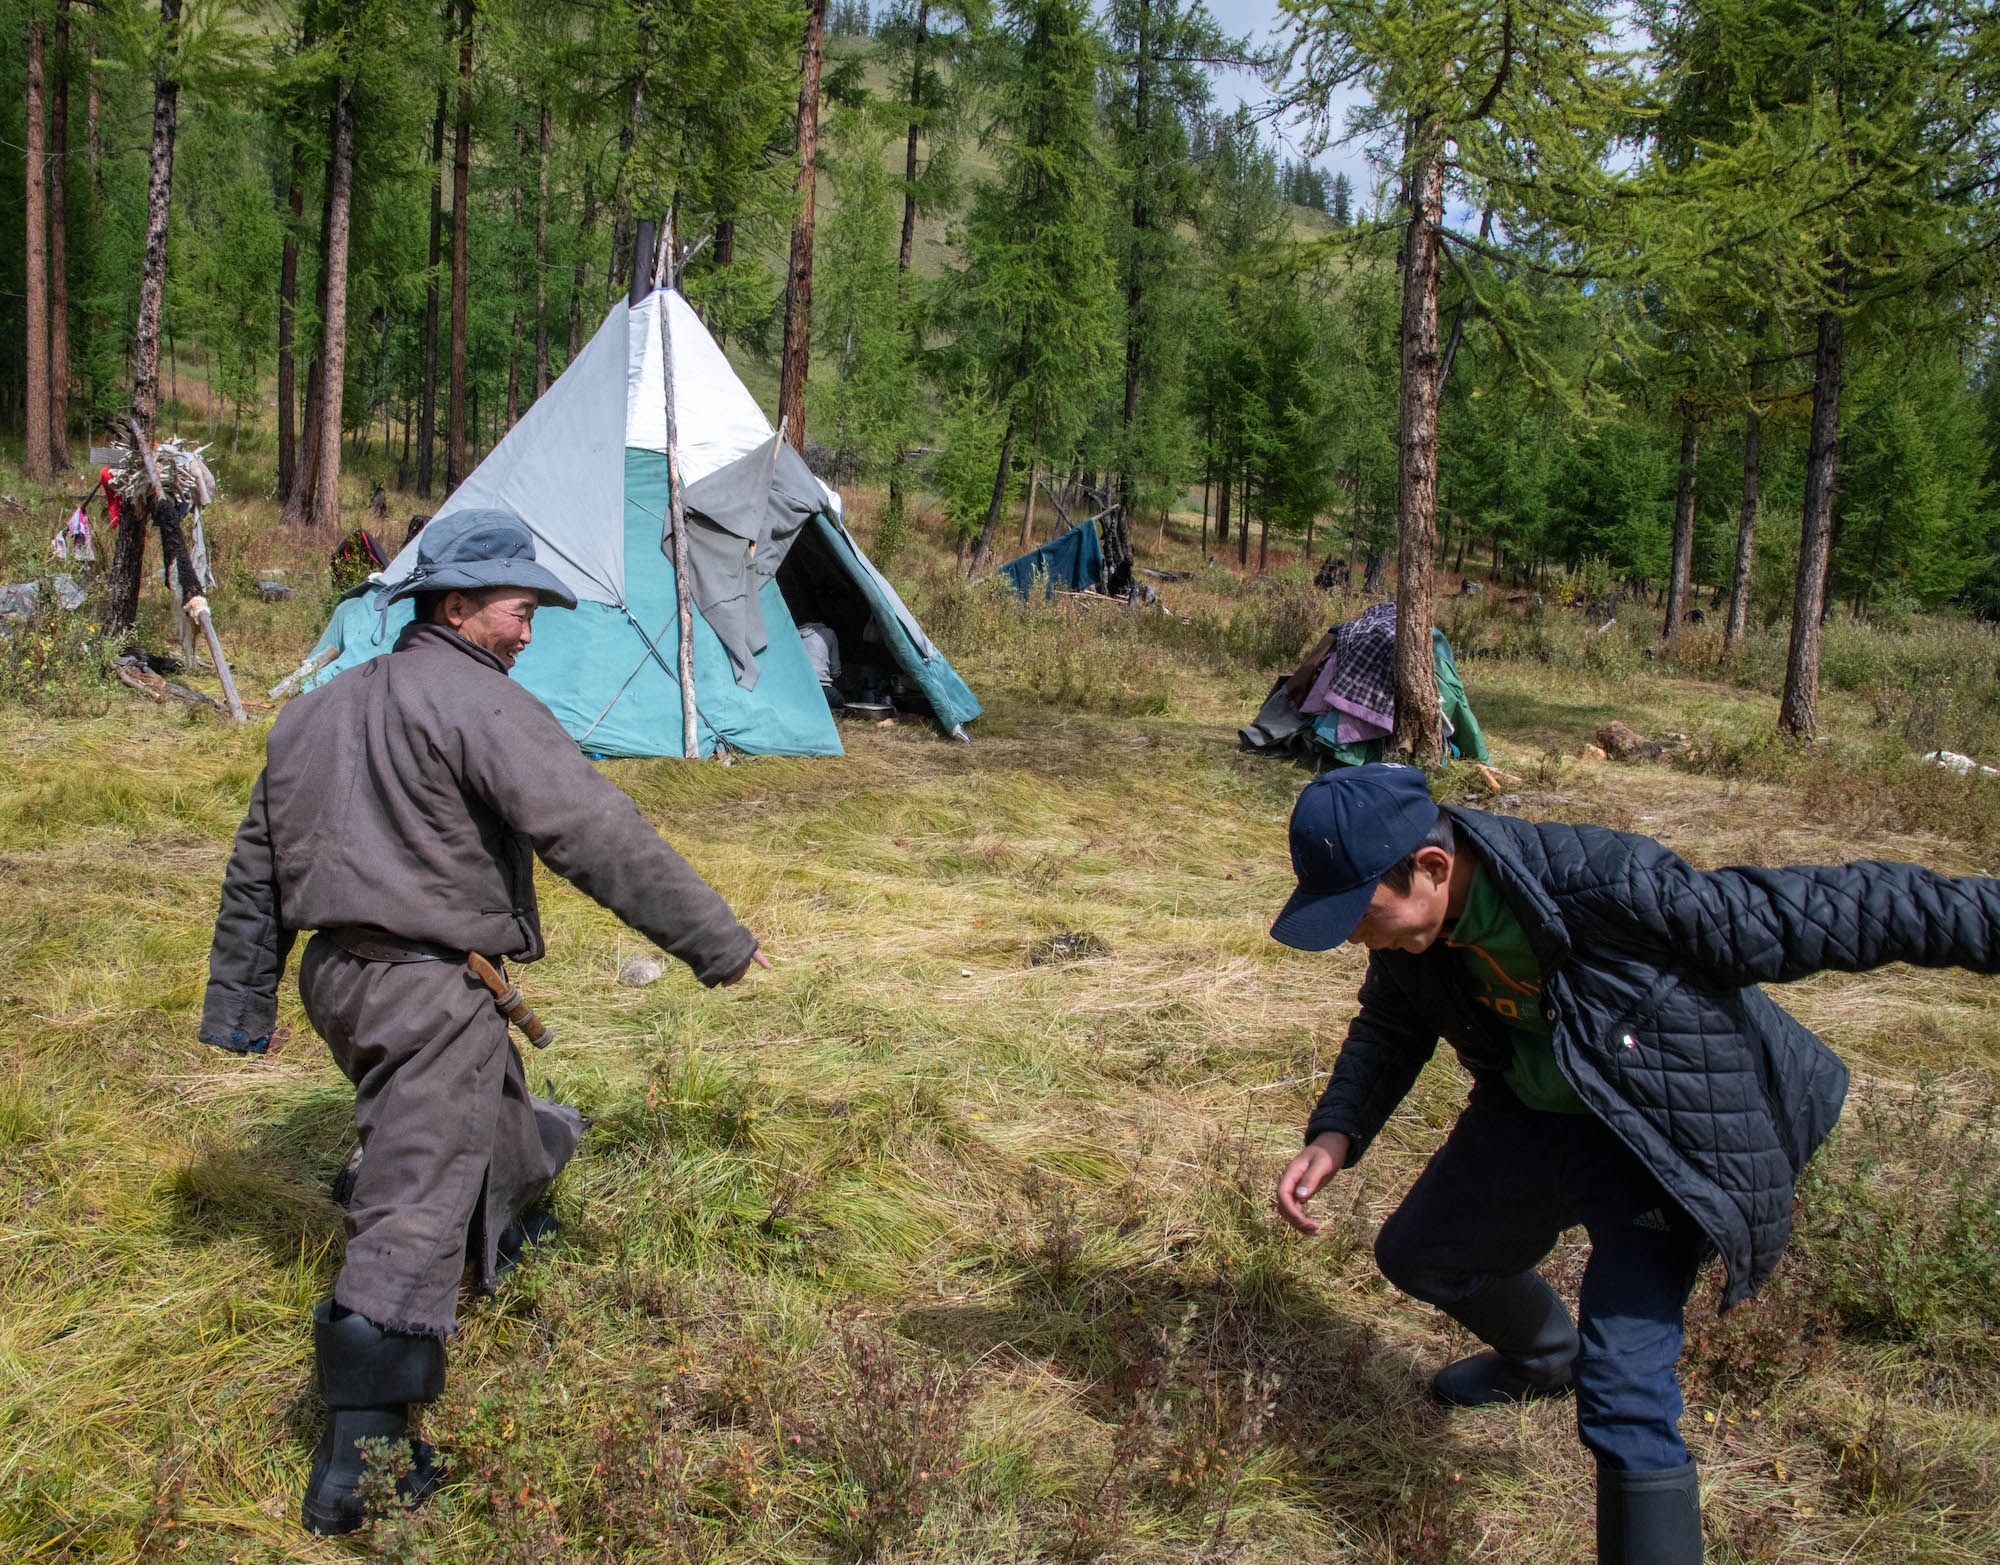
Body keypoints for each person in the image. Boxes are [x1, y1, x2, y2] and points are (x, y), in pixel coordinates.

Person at [1267, 764, 1999, 1565]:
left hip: (1657, 1142)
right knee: (1420, 1251)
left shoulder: (1609, 885)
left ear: (1434, 867)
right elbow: (1391, 1022)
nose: (1352, 936)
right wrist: (1335, 1132)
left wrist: (1986, 919)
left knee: (1623, 1396)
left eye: (1359, 914)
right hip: (1537, 1118)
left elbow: (1823, 910)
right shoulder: (1415, 934)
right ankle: (1545, 1356)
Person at [200, 508, 770, 1535]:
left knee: (486, 1111)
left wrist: (245, 1004)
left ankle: (518, 1213)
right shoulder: (480, 704)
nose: (529, 629)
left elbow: (256, 871)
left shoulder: (314, 710)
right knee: (411, 1200)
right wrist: (715, 940)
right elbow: (595, 827)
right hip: (428, 988)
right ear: (457, 606)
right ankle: (359, 1456)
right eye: (520, 608)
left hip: (338, 980)